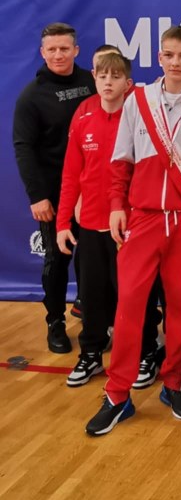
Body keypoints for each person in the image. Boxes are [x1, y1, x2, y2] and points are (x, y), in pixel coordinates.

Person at [85, 25, 181, 436]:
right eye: (169, 55)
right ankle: (117, 394)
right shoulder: (138, 100)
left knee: (180, 309)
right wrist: (116, 206)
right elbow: (121, 162)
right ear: (159, 57)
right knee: (129, 307)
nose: (175, 62)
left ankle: (173, 382)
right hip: (143, 219)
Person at [55, 53, 161, 387]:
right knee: (92, 294)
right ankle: (91, 353)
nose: (108, 82)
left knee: (135, 295)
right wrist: (62, 223)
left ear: (128, 84)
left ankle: (146, 352)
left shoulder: (140, 118)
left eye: (115, 77)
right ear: (94, 78)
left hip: (131, 226)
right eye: (102, 76)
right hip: (90, 224)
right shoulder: (83, 116)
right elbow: (71, 174)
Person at [12, 22, 95, 353]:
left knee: (92, 259)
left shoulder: (92, 82)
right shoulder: (32, 96)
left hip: (94, 192)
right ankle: (55, 322)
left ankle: (94, 317)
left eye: (64, 48)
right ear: (42, 52)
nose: (58, 54)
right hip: (56, 194)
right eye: (52, 49)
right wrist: (38, 196)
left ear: (76, 50)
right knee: (57, 259)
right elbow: (23, 148)